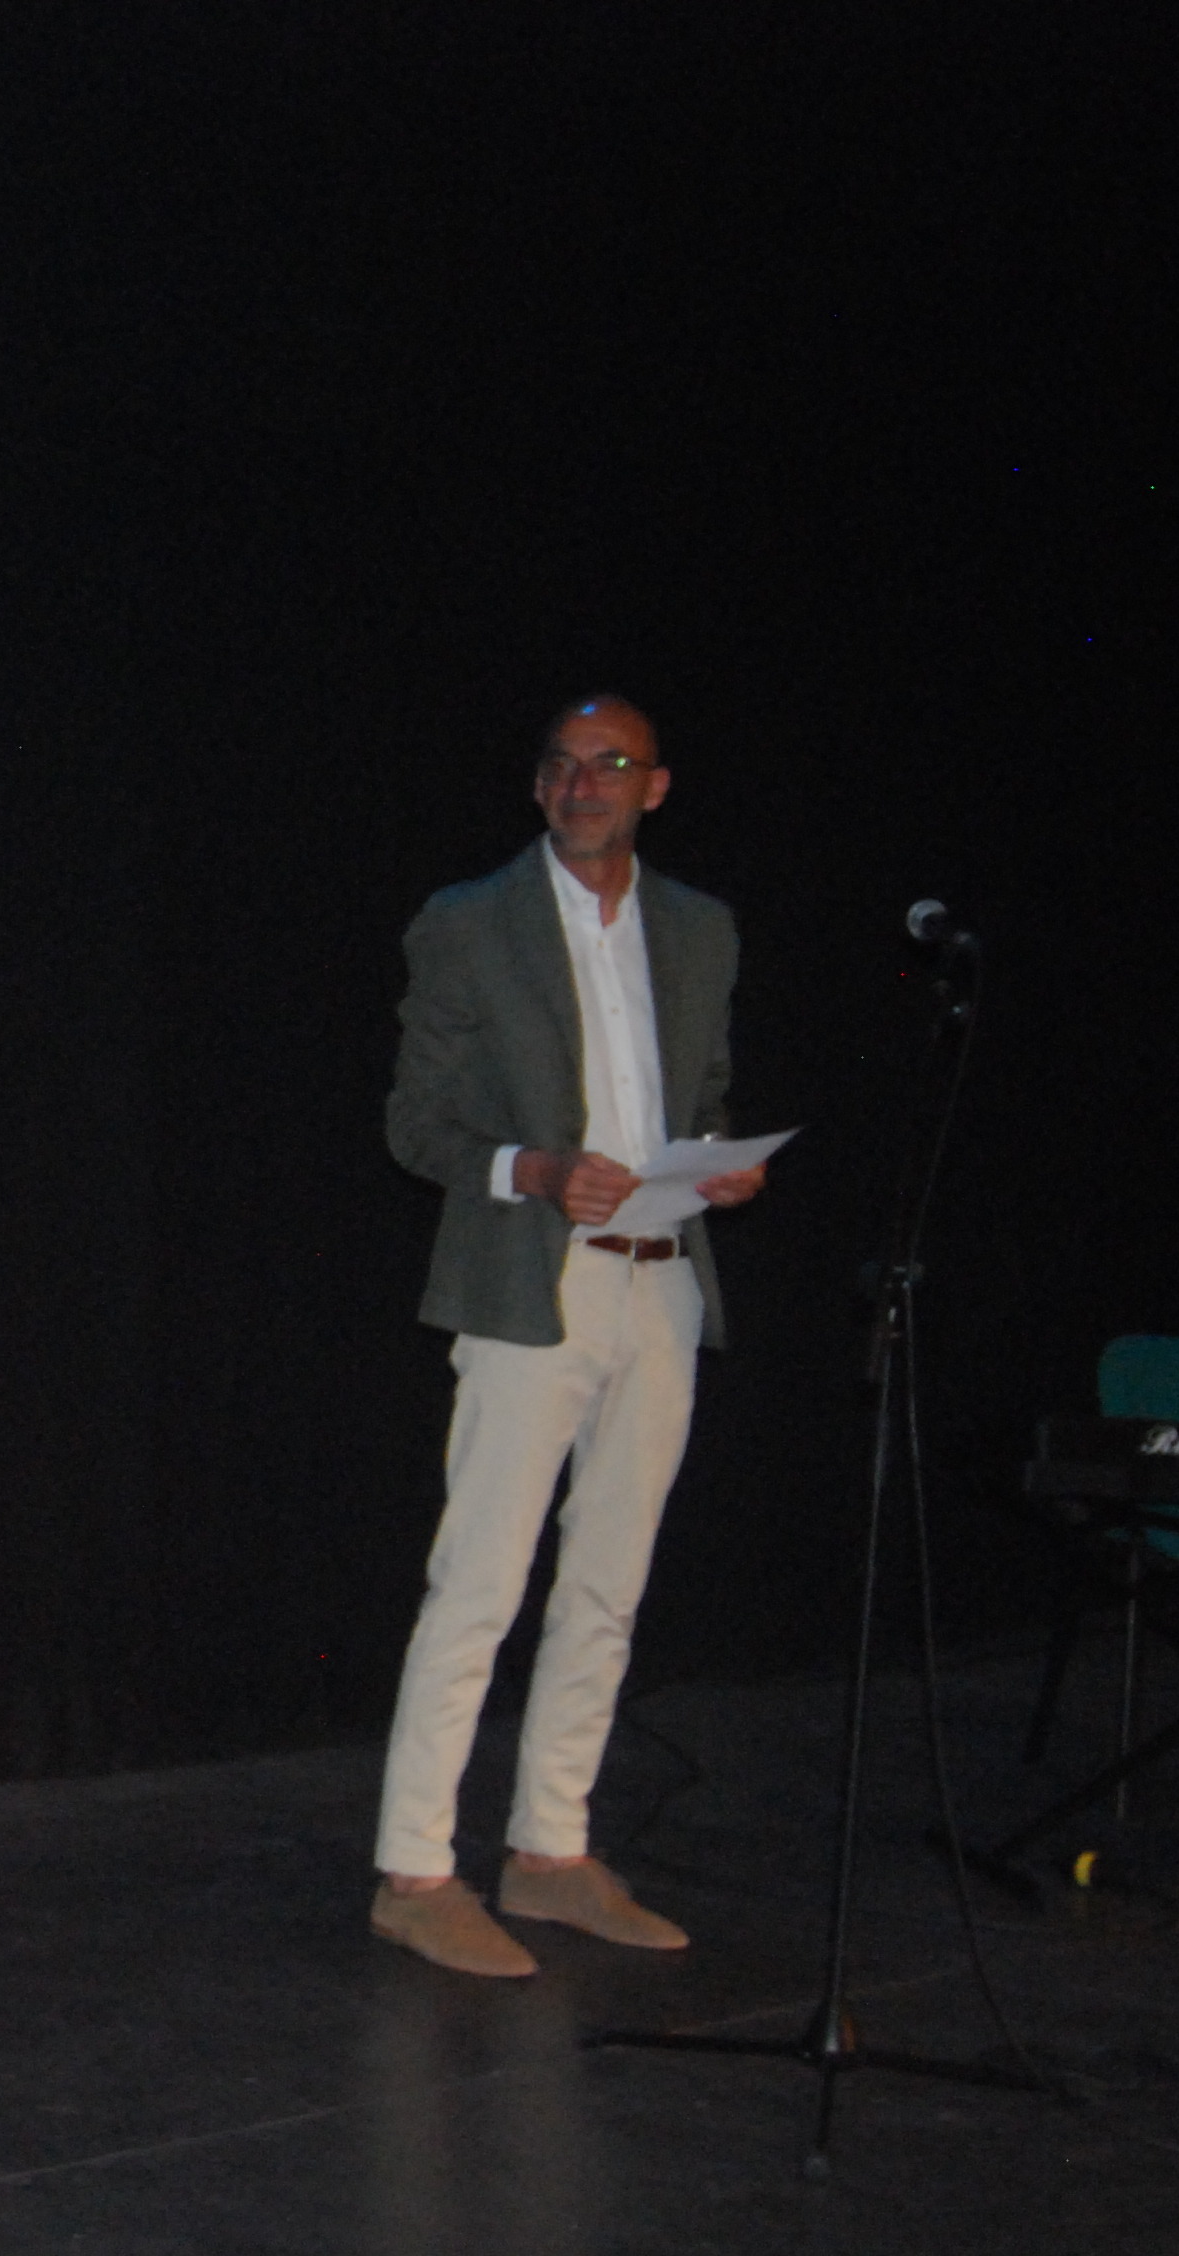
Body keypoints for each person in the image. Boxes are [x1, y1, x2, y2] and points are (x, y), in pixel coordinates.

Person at [367, 694, 765, 1979]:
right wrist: (531, 1170)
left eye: (608, 766)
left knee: (606, 1582)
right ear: (537, 787)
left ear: (654, 787)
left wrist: (720, 1164)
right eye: (559, 766)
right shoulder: (468, 922)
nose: (580, 785)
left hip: (661, 1281)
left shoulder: (697, 929)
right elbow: (415, 1126)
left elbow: (702, 1095)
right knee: (479, 1582)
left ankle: (549, 1850)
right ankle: (413, 1871)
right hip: (529, 1287)